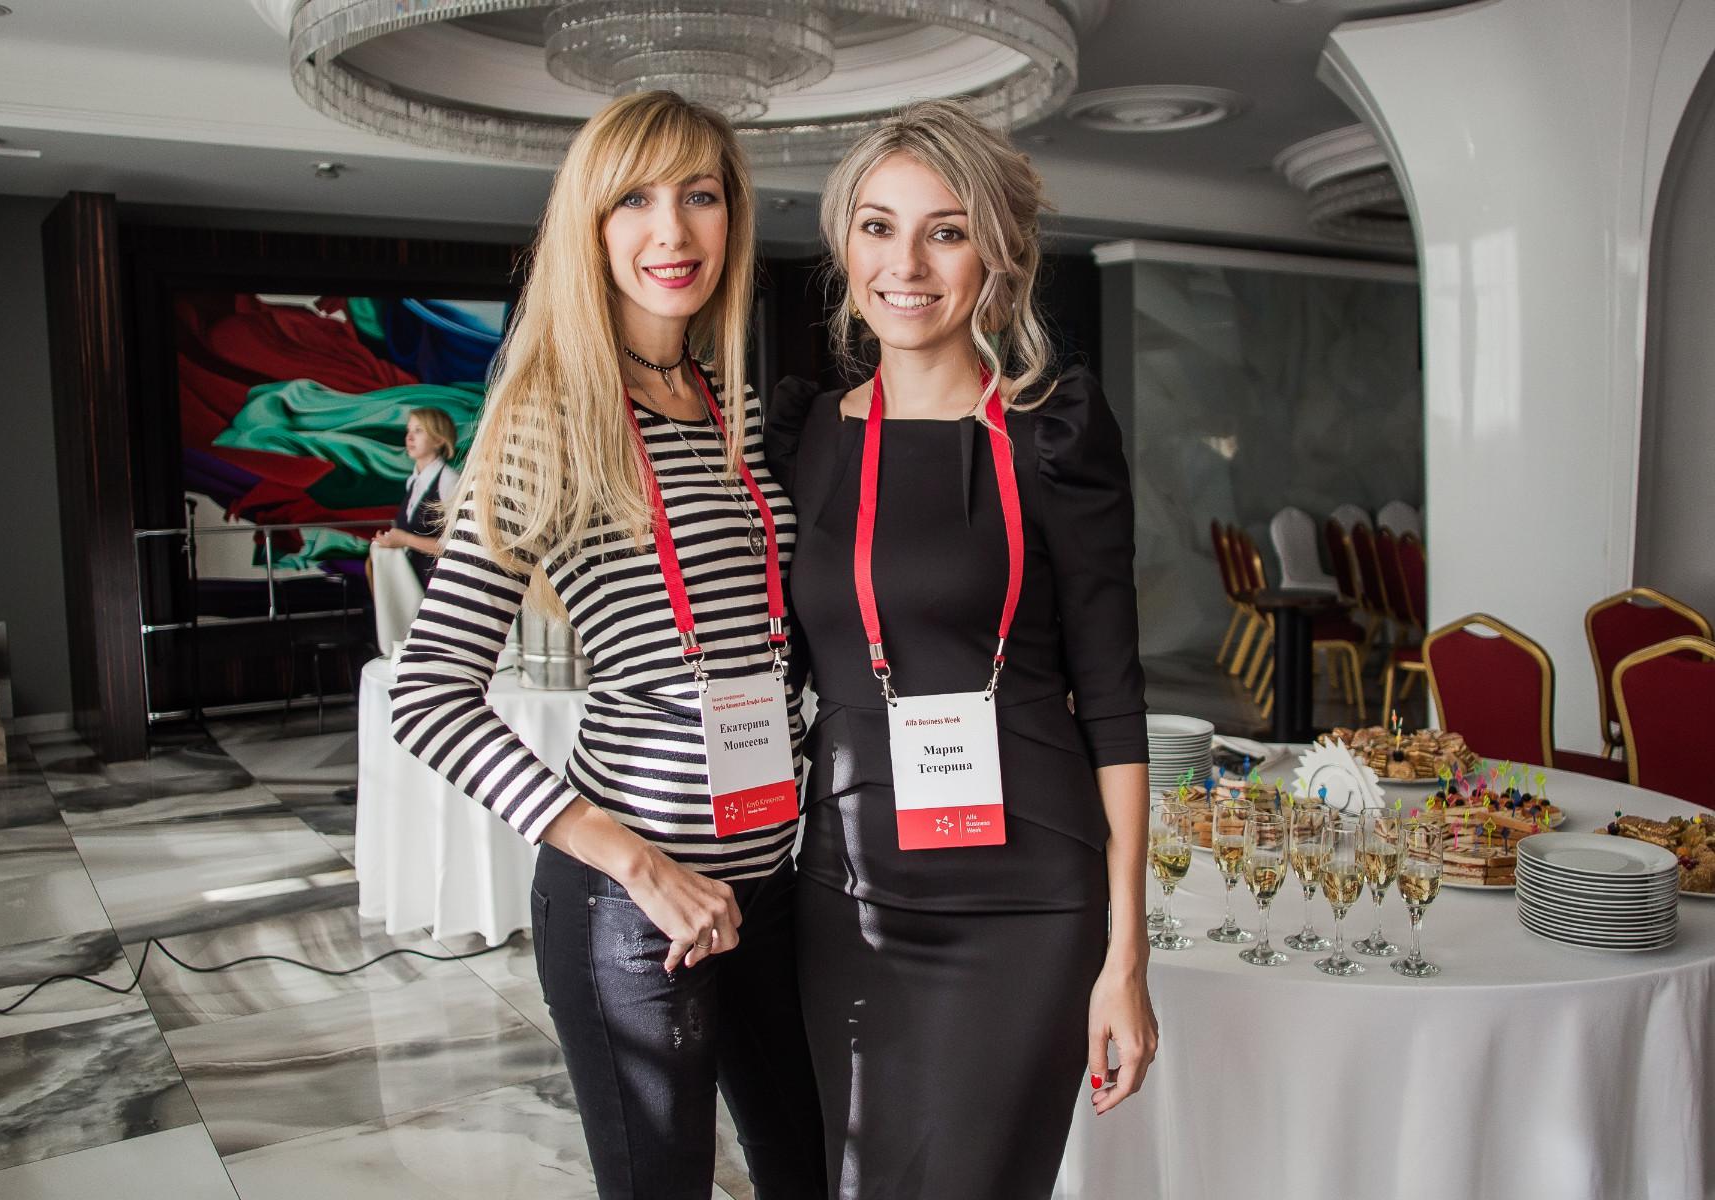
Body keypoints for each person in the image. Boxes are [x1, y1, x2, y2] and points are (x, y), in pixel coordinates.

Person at [390, 91, 825, 1200]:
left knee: (812, 1173)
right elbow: (427, 694)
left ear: (733, 218)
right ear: (589, 223)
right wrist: (638, 865)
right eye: (634, 199)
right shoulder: (548, 420)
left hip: (767, 882)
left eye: (700, 196)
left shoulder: (730, 405)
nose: (671, 231)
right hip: (634, 908)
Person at [764, 99, 1157, 1200]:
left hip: (1027, 903)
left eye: (946, 230)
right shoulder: (803, 438)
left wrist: (1127, 955)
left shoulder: (1055, 434)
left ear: (998, 254)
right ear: (845, 246)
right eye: (877, 227)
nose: (907, 264)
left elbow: (1114, 703)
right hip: (846, 891)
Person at [372, 406, 459, 586]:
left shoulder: (449, 481)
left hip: (437, 586)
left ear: (438, 440)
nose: (409, 437)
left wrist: (405, 540)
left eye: (418, 431)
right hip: (413, 584)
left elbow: (456, 546)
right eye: (409, 430)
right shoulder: (413, 481)